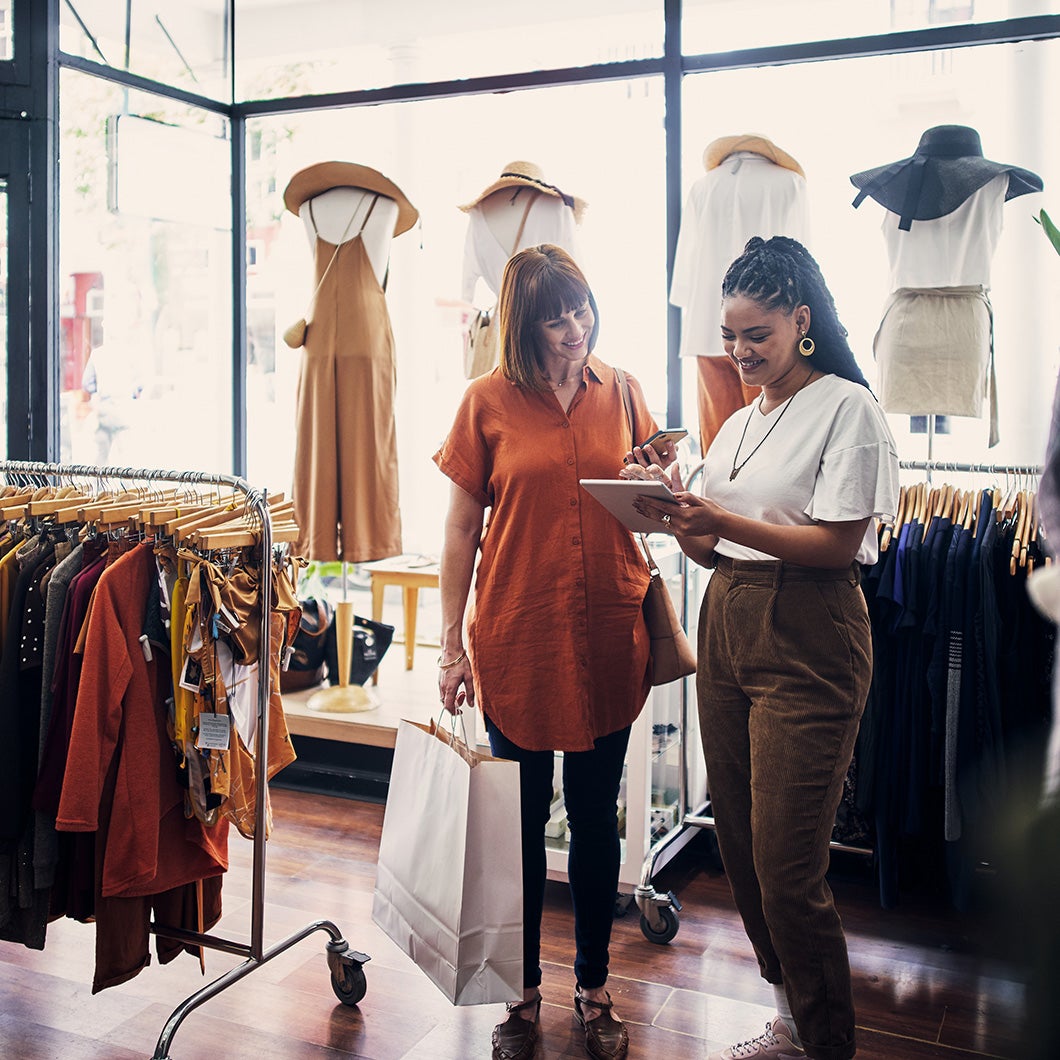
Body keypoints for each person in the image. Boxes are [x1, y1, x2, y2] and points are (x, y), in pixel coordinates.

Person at [631, 236, 899, 1060]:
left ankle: (826, 1044)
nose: (742, 353)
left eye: (758, 335)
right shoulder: (742, 421)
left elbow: (839, 542)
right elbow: (714, 550)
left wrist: (724, 522)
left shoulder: (847, 407)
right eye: (732, 337)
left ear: (801, 321)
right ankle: (788, 1018)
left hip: (811, 631)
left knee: (787, 863)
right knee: (740, 846)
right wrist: (675, 506)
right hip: (729, 620)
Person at [433, 244, 677, 1060]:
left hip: (610, 630)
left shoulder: (626, 391)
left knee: (598, 816)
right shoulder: (485, 401)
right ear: (523, 323)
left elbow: (655, 513)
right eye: (554, 317)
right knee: (522, 823)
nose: (574, 330)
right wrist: (449, 649)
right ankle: (523, 991)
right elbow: (462, 531)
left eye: (581, 309)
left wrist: (660, 482)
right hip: (518, 635)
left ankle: (595, 985)